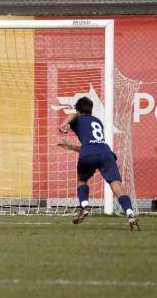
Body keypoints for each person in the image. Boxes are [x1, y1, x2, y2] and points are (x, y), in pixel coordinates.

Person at [58, 96, 139, 231]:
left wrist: (63, 125)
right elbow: (94, 145)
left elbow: (72, 116)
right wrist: (72, 147)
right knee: (117, 185)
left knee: (81, 180)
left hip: (88, 154)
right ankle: (130, 213)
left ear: (77, 110)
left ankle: (84, 205)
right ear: (91, 110)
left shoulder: (75, 116)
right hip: (105, 153)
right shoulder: (97, 121)